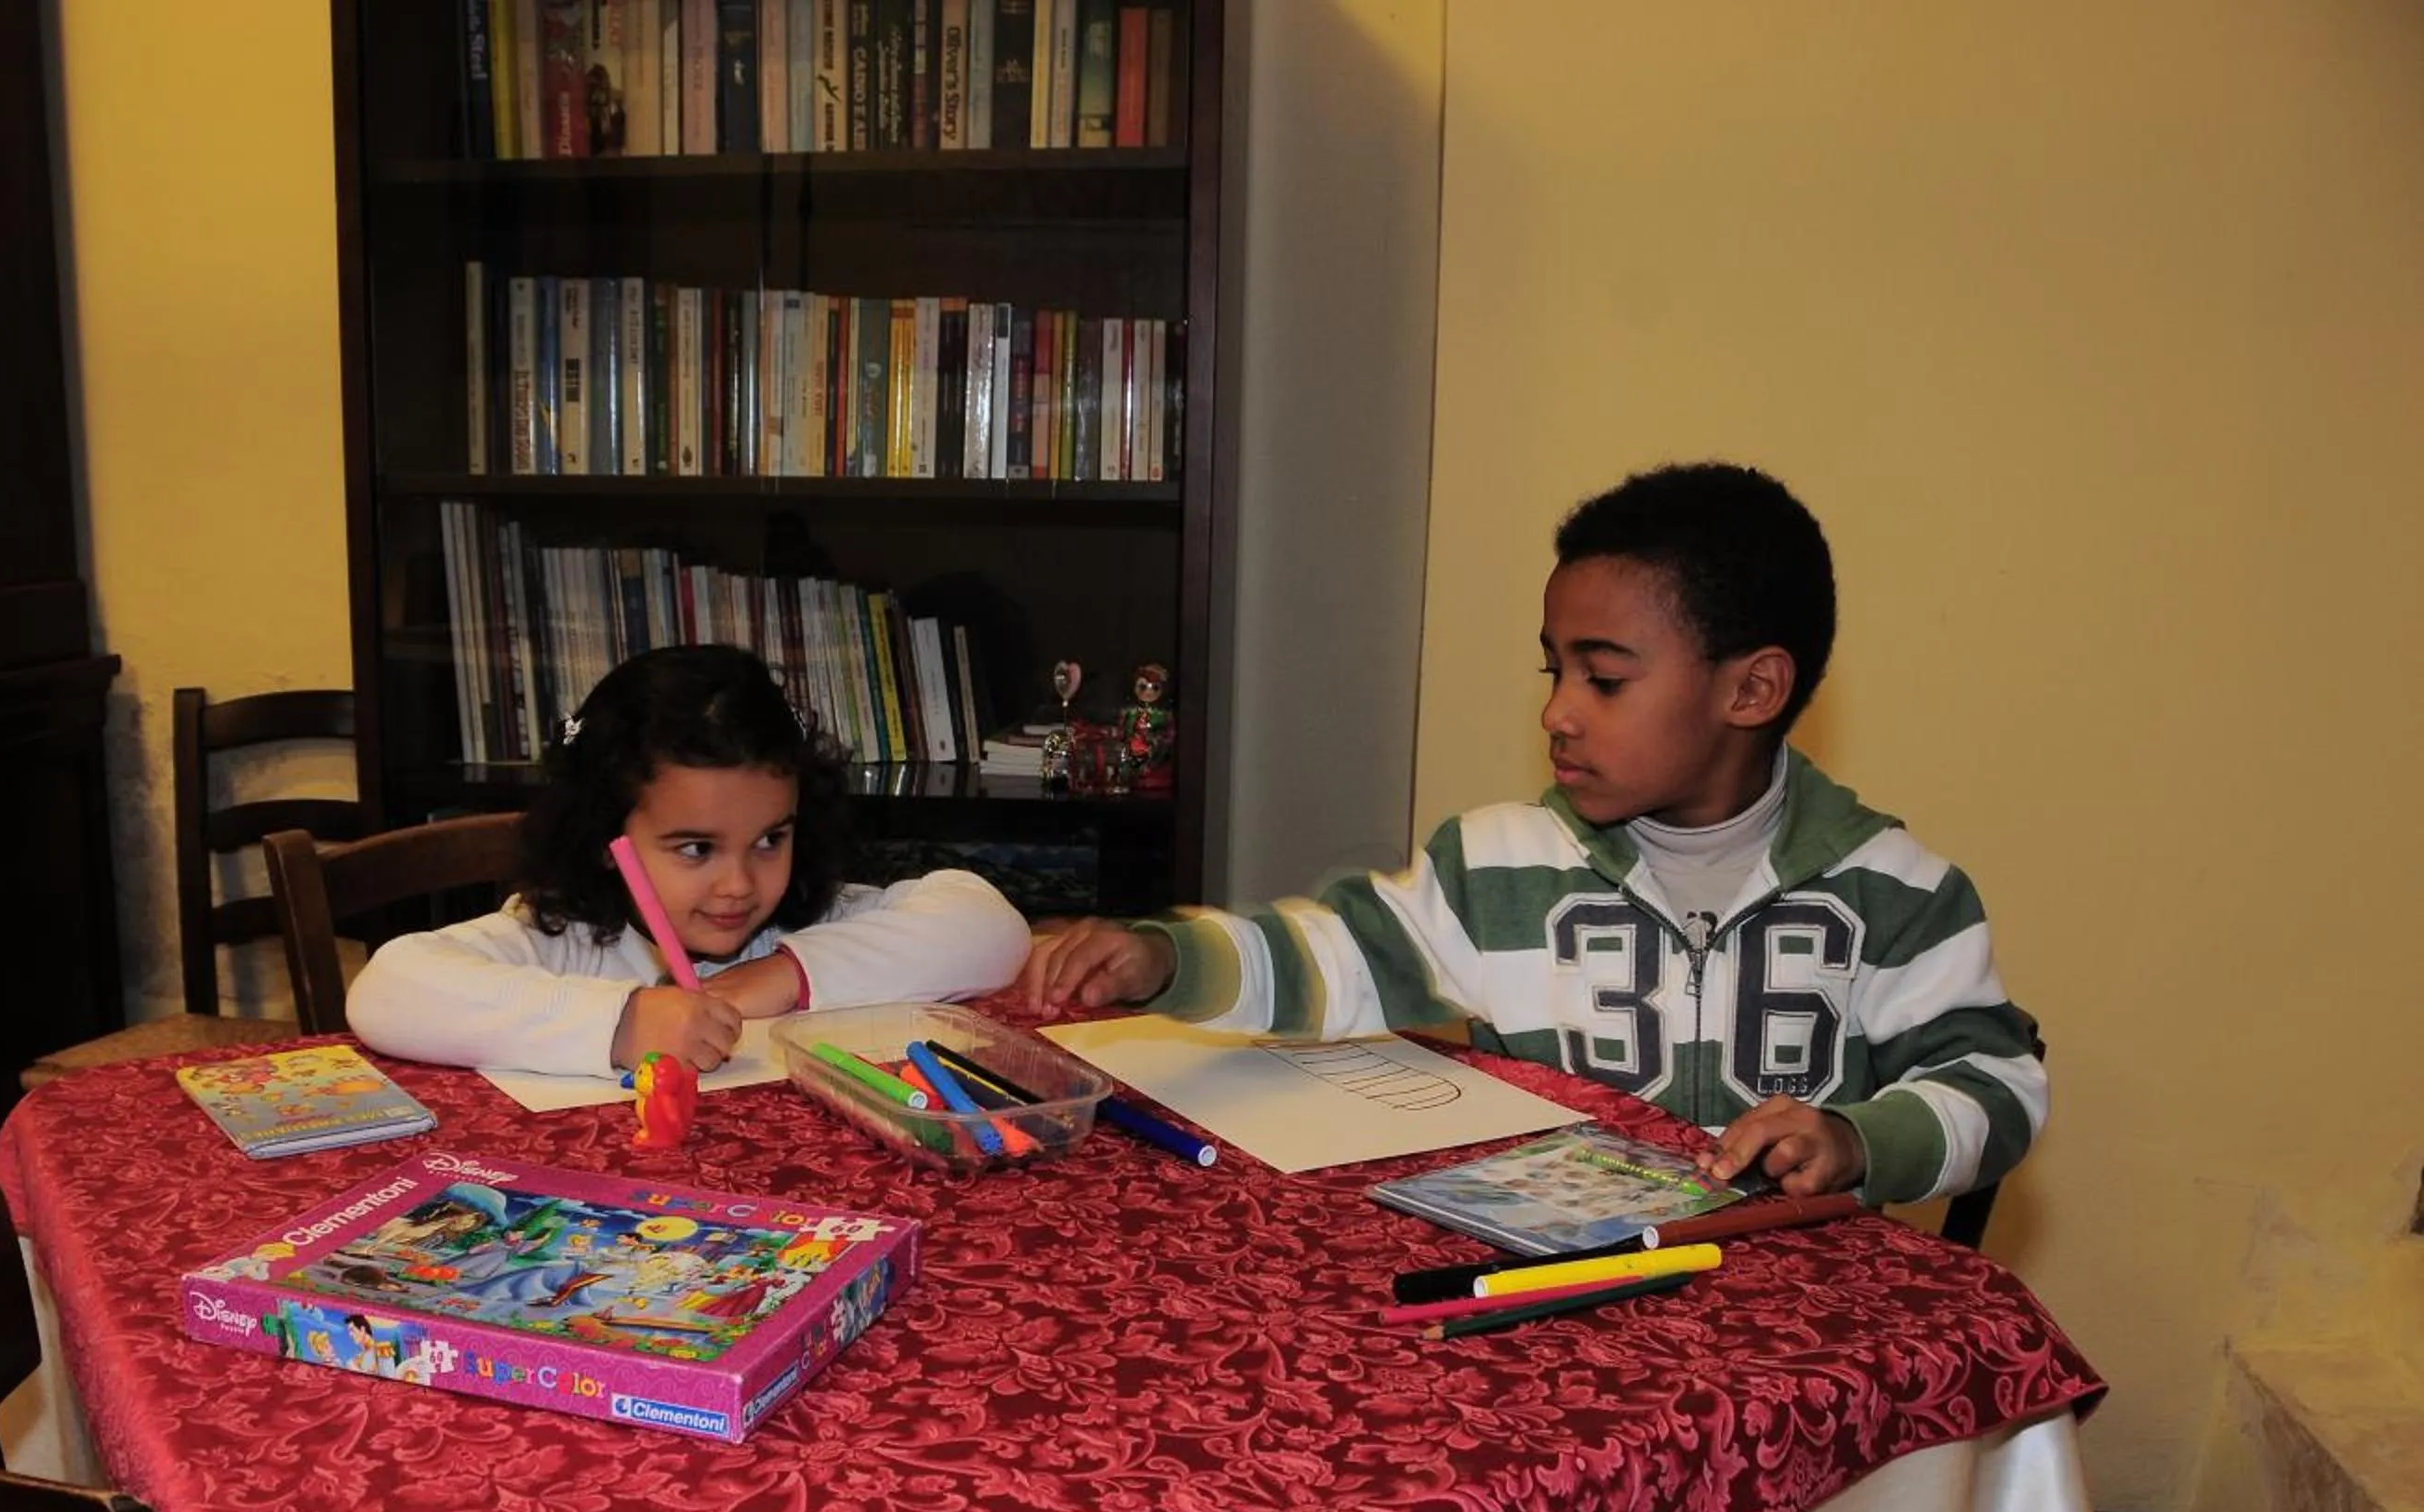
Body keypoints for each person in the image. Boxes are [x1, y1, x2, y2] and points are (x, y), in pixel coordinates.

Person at [1018, 463, 2045, 1207]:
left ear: (1753, 688)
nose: (1560, 710)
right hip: (1550, 1297)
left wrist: (1862, 1139)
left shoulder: (1897, 890)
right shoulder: (1495, 868)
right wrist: (1166, 955)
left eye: (1604, 677)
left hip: (1783, 1321)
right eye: (1553, 670)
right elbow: (1331, 955)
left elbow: (1997, 1085)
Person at [348, 644, 1030, 1078]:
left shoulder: (806, 920)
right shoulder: (565, 937)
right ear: (603, 836)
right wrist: (623, 1021)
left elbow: (991, 927)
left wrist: (783, 975)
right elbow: (388, 988)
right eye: (696, 848)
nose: (739, 884)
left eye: (771, 839)